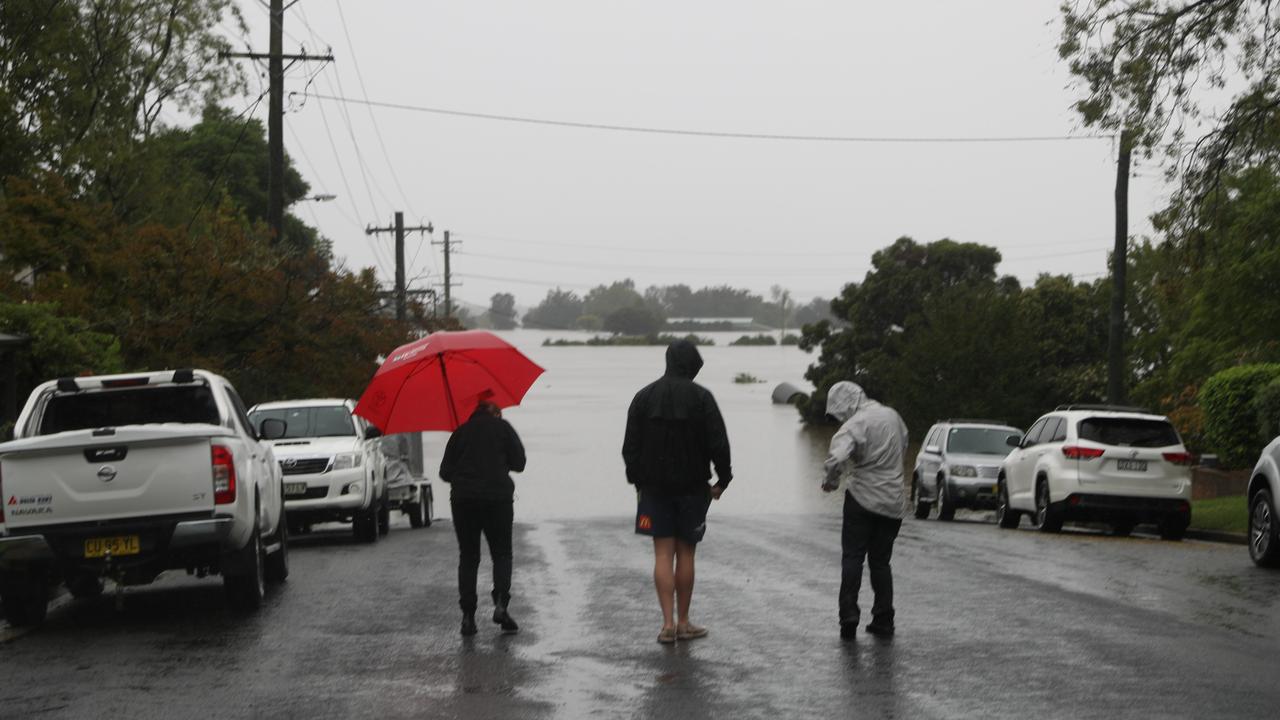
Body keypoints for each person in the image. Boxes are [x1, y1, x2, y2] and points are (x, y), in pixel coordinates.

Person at [622, 339, 732, 644]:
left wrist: (637, 480)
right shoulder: (702, 398)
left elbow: (630, 448)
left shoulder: (643, 397)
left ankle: (666, 624)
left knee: (661, 554)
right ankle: (684, 623)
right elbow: (718, 444)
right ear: (693, 364)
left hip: (653, 488)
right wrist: (723, 480)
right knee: (686, 554)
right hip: (694, 488)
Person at [820, 381, 908, 639]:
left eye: (838, 413)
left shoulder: (854, 424)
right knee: (881, 562)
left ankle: (849, 615)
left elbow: (836, 458)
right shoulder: (893, 417)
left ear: (845, 404)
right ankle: (884, 619)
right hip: (893, 499)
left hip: (861, 498)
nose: (840, 418)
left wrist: (831, 481)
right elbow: (903, 445)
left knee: (853, 558)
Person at [439, 399, 527, 636]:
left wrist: (466, 474)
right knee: (502, 553)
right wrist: (499, 464)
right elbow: (520, 463)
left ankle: (468, 616)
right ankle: (500, 604)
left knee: (468, 557)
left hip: (464, 500)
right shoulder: (503, 428)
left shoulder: (460, 432)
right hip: (497, 499)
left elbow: (445, 472)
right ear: (495, 411)